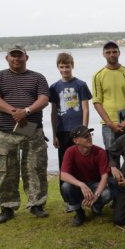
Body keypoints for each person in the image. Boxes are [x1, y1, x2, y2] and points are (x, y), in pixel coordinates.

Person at [0, 45, 50, 223]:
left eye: (19, 56)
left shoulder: (38, 78)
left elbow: (44, 99)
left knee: (35, 168)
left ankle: (37, 204)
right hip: (4, 132)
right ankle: (7, 206)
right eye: (12, 56)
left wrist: (27, 111)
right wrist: (14, 111)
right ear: (6, 58)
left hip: (32, 130)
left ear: (26, 58)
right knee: (5, 170)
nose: (16, 59)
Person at [49, 52, 92, 188]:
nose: (65, 70)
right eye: (62, 67)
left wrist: (84, 131)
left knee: (80, 161)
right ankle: (67, 194)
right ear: (58, 67)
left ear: (72, 66)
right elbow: (54, 112)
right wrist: (54, 134)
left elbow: (85, 109)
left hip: (78, 130)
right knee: (65, 163)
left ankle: (83, 190)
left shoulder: (81, 85)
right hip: (62, 131)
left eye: (67, 66)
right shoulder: (54, 87)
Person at [59, 126, 113, 227]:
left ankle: (96, 206)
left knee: (108, 193)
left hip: (94, 185)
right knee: (66, 187)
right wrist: (81, 184)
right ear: (76, 140)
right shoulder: (70, 152)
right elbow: (63, 175)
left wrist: (96, 195)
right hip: (78, 187)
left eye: (89, 135)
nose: (89, 138)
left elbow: (104, 176)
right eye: (85, 136)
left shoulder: (100, 152)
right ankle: (79, 213)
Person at [91, 41, 125, 151]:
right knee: (111, 159)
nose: (112, 54)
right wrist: (110, 123)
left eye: (114, 51)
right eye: (108, 52)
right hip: (108, 125)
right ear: (104, 54)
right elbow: (97, 102)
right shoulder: (98, 75)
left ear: (119, 53)